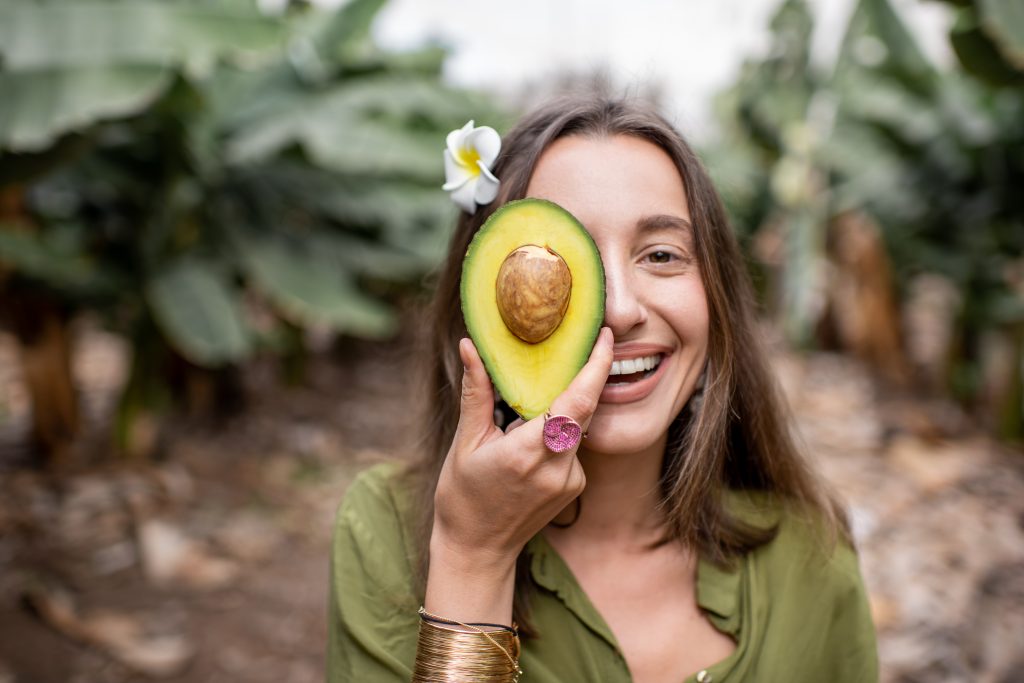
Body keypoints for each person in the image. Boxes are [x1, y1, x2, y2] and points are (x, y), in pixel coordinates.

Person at [326, 95, 879, 683]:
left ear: (717, 297)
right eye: (561, 262)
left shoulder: (813, 560)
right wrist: (473, 559)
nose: (617, 308)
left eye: (661, 255)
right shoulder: (384, 529)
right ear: (479, 305)